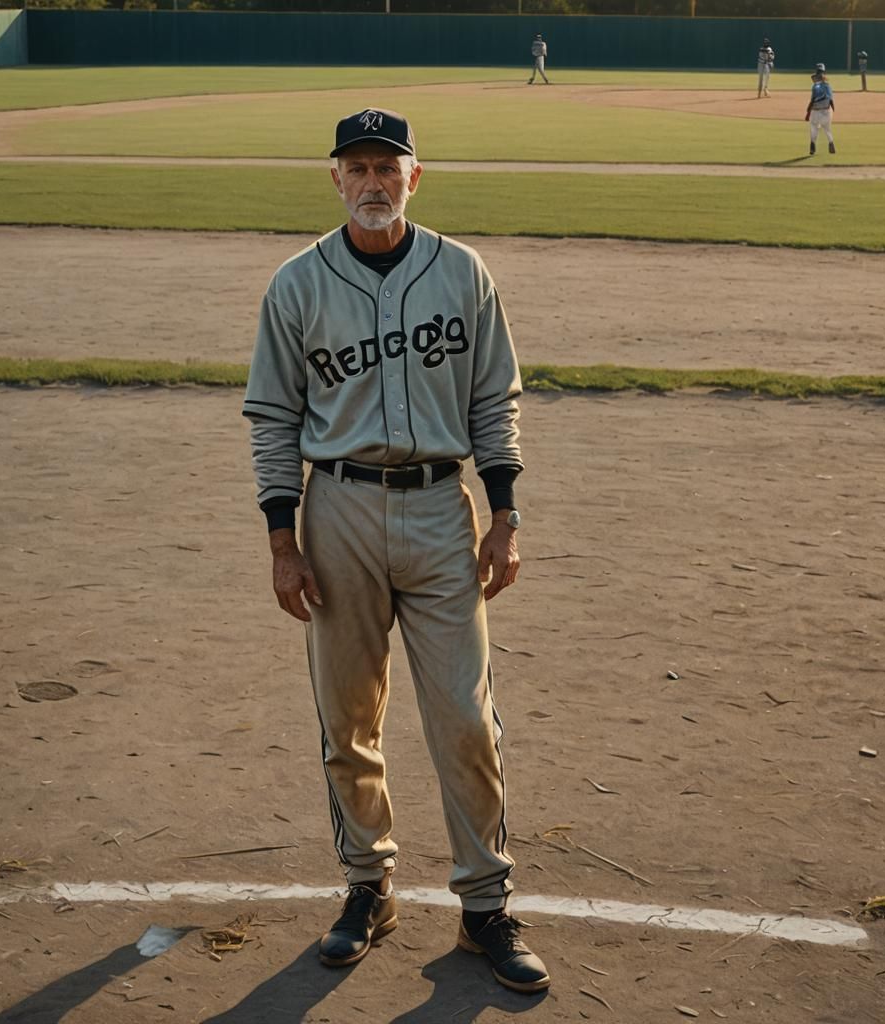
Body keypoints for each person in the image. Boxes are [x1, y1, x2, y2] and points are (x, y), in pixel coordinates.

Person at [242, 107, 549, 995]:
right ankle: (367, 887)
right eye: (358, 166)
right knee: (348, 719)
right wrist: (281, 539)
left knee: (463, 713)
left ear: (418, 178)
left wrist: (506, 516)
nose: (374, 181)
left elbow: (497, 398)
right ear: (334, 179)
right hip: (334, 510)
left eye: (389, 166)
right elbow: (272, 419)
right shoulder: (297, 285)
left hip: (440, 514)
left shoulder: (462, 274)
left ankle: (485, 904)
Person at [805, 63, 836, 156]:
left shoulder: (815, 86)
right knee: (827, 129)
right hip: (826, 111)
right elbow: (831, 101)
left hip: (815, 111)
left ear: (816, 72)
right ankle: (831, 143)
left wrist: (807, 111)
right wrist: (833, 110)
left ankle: (812, 146)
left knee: (814, 128)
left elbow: (812, 100)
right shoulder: (828, 85)